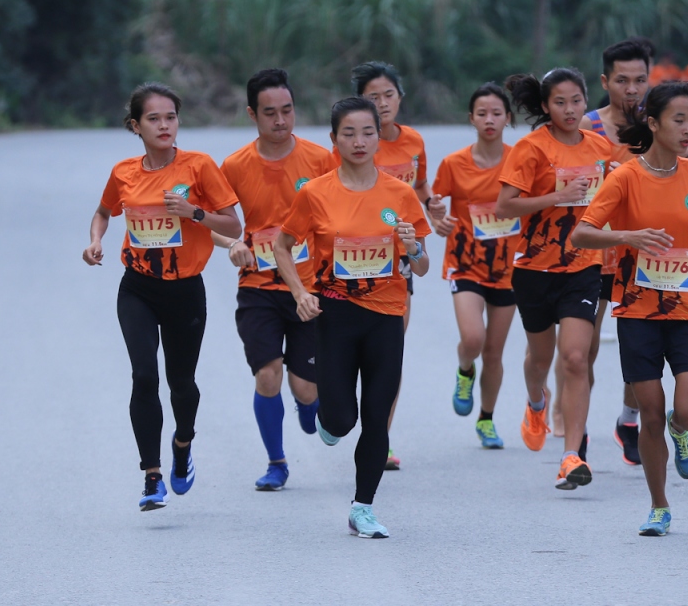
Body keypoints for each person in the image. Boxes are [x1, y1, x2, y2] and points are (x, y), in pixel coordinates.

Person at [573, 81, 688, 536]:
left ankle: (683, 431)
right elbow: (581, 234)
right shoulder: (625, 178)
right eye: (679, 119)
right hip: (638, 313)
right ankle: (659, 505)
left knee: (687, 411)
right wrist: (626, 237)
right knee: (649, 413)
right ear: (652, 124)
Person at [273, 96, 432, 538]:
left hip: (386, 315)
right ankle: (328, 420)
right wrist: (300, 292)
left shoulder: (399, 195)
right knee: (342, 420)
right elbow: (282, 246)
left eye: (368, 132)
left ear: (379, 137)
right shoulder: (316, 193)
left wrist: (414, 247)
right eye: (349, 133)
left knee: (376, 415)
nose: (359, 141)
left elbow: (421, 265)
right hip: (336, 315)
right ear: (334, 140)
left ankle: (363, 506)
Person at [82, 83, 241, 510]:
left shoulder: (199, 166)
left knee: (181, 384)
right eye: (154, 118)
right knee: (143, 376)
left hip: (185, 291)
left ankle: (183, 444)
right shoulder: (124, 172)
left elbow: (233, 226)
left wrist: (194, 213)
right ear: (136, 126)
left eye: (170, 116)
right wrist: (95, 241)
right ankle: (152, 476)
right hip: (137, 288)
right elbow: (103, 211)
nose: (164, 125)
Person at [581, 38, 688, 465]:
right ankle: (576, 431)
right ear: (607, 82)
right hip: (598, 253)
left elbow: (679, 181)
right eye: (623, 80)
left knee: (648, 337)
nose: (633, 88)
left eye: (641, 79)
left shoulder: (668, 122)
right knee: (581, 349)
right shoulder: (585, 126)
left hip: (647, 260)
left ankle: (629, 417)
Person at [215, 69, 333, 491]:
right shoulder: (234, 166)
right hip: (258, 288)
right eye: (270, 113)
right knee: (268, 374)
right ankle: (276, 463)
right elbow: (217, 223)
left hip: (308, 290)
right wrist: (231, 244)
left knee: (305, 390)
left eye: (287, 111)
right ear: (252, 115)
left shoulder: (322, 160)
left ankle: (308, 406)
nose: (280, 121)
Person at [496, 68, 612, 491]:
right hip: (534, 269)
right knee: (539, 360)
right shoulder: (530, 149)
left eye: (577, 101)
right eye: (560, 102)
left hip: (583, 268)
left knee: (577, 358)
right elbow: (505, 206)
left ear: (586, 102)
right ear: (545, 106)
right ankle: (536, 402)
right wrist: (557, 198)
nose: (569, 110)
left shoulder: (601, 148)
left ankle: (572, 453)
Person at [342, 61, 446, 471]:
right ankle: (341, 406)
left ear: (400, 98)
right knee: (349, 351)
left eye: (388, 95)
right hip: (352, 261)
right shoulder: (356, 142)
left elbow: (419, 189)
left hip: (396, 261)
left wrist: (432, 206)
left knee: (389, 353)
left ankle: (379, 436)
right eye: (372, 96)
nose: (381, 103)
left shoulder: (414, 140)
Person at [430, 83, 519, 449]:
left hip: (509, 266)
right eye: (481, 113)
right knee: (473, 339)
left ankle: (486, 419)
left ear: (508, 119)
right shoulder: (454, 164)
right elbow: (436, 207)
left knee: (495, 352)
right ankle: (465, 370)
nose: (489, 120)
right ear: (471, 119)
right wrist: (438, 220)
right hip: (465, 263)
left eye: (496, 113)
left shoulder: (520, 160)